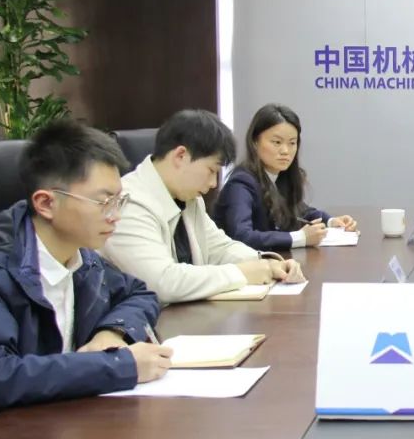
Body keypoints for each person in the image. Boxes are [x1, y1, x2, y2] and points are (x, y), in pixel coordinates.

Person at [0, 121, 172, 433]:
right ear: (46, 203)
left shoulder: (81, 256)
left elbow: (138, 293)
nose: (116, 216)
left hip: (63, 427)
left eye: (119, 201)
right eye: (104, 202)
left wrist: (112, 333)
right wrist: (120, 366)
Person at [102, 109, 304, 305]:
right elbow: (163, 282)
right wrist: (241, 273)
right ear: (181, 156)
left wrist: (266, 262)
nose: (213, 184)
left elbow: (218, 247)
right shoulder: (128, 202)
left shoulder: (188, 197)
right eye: (211, 170)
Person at [214, 104, 356, 250]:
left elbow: (299, 211)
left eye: (292, 143)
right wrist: (301, 238)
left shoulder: (279, 176)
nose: (285, 151)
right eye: (277, 142)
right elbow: (242, 236)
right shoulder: (241, 183)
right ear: (255, 142)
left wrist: (331, 222)